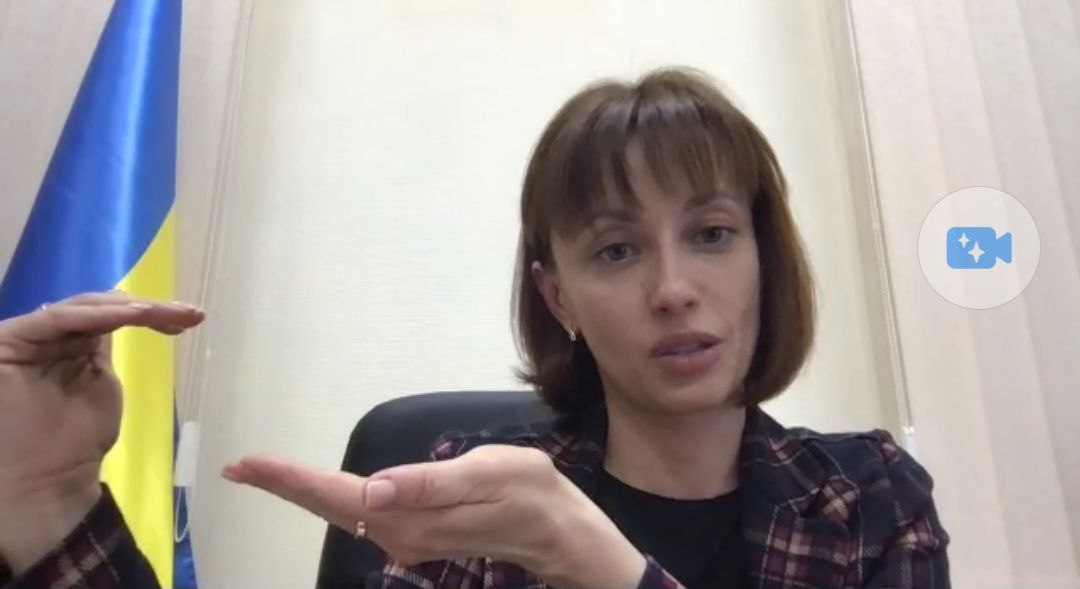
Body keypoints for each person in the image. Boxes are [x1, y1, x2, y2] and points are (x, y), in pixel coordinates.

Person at [0, 68, 949, 589]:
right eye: (617, 250)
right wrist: (51, 505)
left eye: (710, 235)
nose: (672, 289)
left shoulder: (867, 498)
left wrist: (594, 564)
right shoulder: (472, 491)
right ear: (559, 299)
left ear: (763, 259)